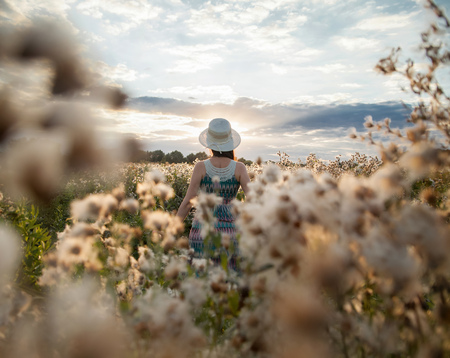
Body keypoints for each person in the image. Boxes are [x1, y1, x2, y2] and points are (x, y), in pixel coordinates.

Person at [176, 118, 250, 270]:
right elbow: (256, 201)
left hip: (202, 232)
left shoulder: (201, 167)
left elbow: (187, 202)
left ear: (209, 143)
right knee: (229, 281)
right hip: (231, 234)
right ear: (230, 142)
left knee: (201, 280)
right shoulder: (240, 168)